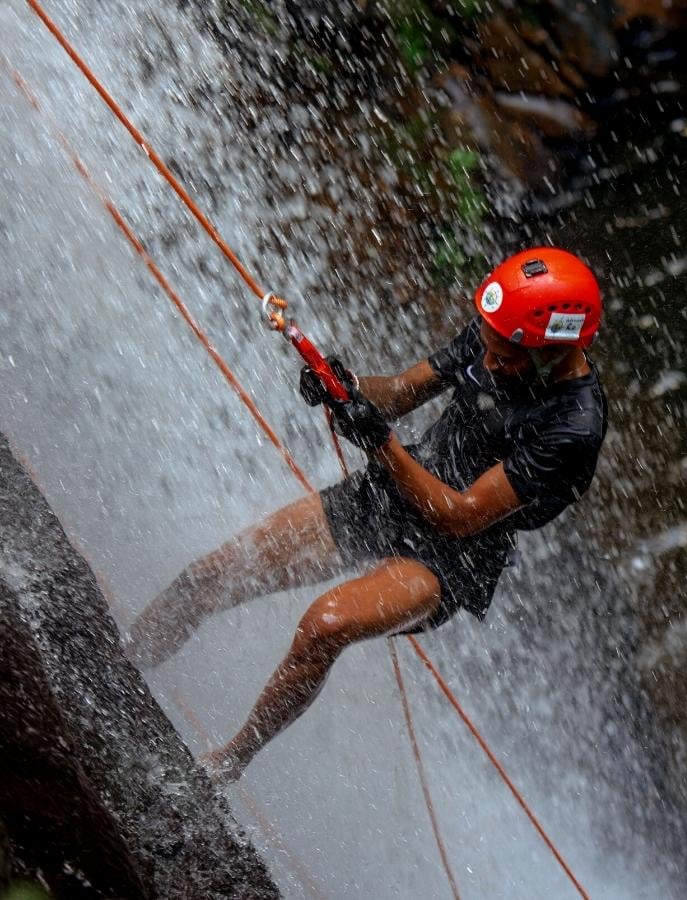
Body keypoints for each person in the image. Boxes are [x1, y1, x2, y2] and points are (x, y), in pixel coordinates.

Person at [125, 247, 608, 784]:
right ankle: (122, 662)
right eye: (488, 344)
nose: (490, 362)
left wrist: (379, 442)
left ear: (560, 348)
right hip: (396, 489)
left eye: (507, 357)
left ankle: (224, 765)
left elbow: (460, 515)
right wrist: (345, 386)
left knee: (324, 626)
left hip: (451, 557)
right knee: (211, 576)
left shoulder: (574, 426)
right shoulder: (500, 333)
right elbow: (399, 392)